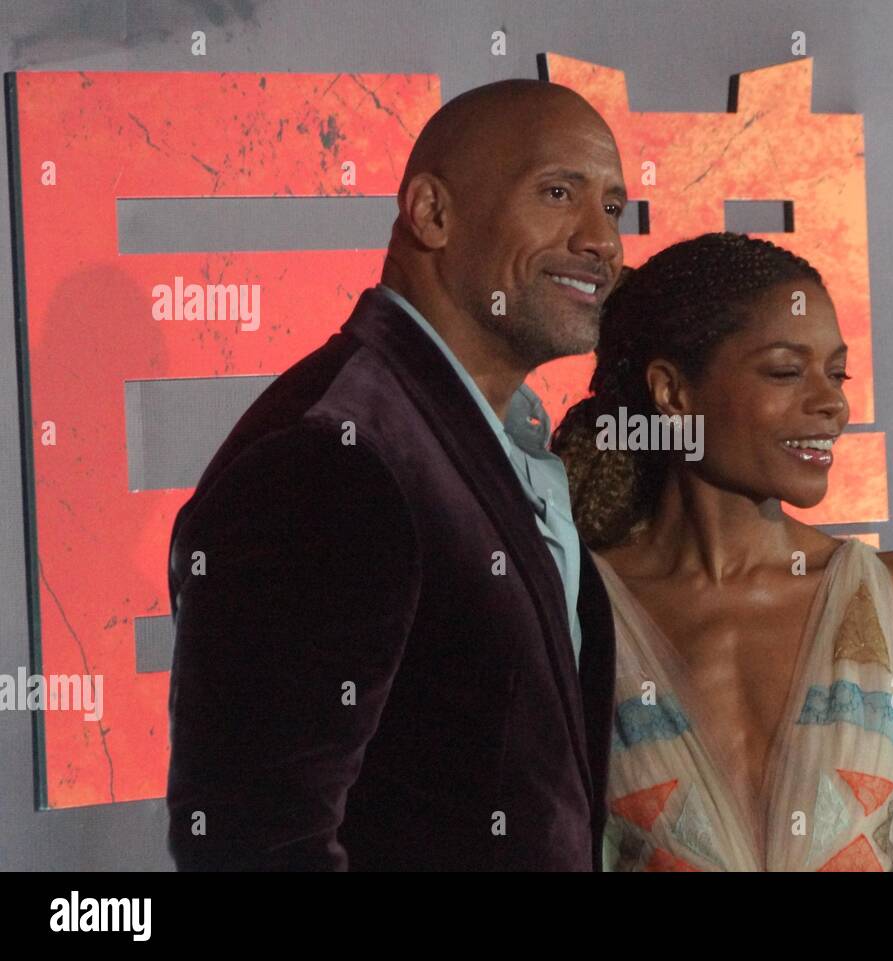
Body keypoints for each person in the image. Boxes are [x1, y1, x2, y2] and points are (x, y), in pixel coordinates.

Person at [165, 79, 627, 870]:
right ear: (432, 212)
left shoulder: (490, 438)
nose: (602, 240)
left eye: (613, 207)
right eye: (558, 193)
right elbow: (257, 843)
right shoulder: (333, 456)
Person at [552, 232, 893, 871]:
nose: (832, 404)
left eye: (836, 374)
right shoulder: (577, 611)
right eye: (786, 372)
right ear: (673, 394)